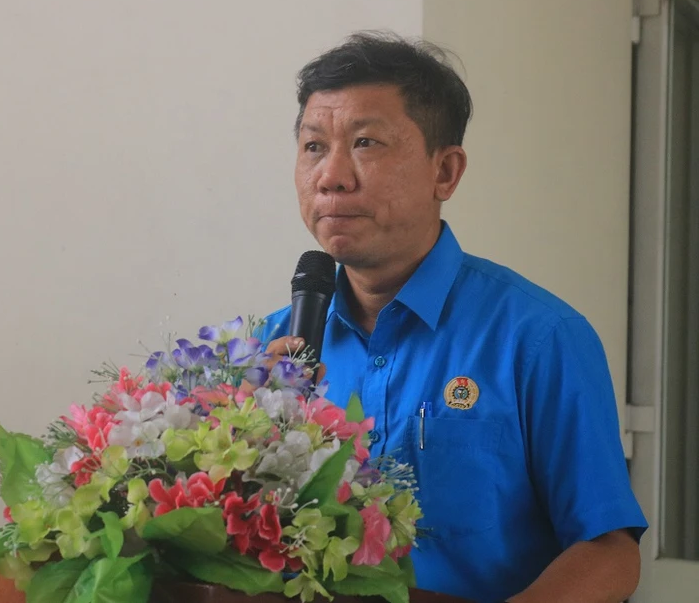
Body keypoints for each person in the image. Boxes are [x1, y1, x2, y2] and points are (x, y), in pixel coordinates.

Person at [257, 31, 647, 603]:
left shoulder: (538, 338)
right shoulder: (274, 347)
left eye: (365, 143)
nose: (331, 176)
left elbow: (608, 549)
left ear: (445, 171)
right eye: (314, 146)